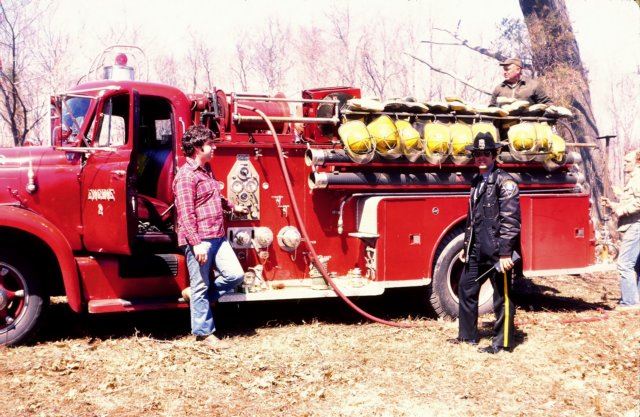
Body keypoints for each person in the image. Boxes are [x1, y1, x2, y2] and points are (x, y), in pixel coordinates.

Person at [173, 125, 248, 350]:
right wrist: (196, 244)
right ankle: (204, 335)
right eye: (210, 144)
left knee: (235, 275)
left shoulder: (207, 170)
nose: (213, 148)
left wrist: (234, 206)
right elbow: (185, 214)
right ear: (197, 148)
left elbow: (215, 195)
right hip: (201, 241)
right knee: (200, 286)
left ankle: (197, 299)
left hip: (218, 236)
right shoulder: (185, 176)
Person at [448, 132, 522, 354]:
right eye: (477, 154)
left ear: (494, 155)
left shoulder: (505, 182)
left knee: (502, 296)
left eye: (486, 154)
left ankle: (502, 344)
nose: (481, 158)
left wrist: (505, 253)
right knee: (466, 287)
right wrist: (466, 247)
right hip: (476, 248)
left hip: (498, 251)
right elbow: (473, 219)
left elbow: (511, 220)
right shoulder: (477, 181)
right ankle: (467, 336)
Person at [601, 150, 640, 309]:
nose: (624, 164)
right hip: (634, 224)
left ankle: (630, 303)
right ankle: (635, 300)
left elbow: (638, 203)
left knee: (624, 264)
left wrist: (621, 211)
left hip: (636, 225)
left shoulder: (638, 180)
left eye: (627, 162)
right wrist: (612, 205)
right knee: (636, 265)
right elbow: (630, 203)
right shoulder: (633, 180)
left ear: (638, 162)